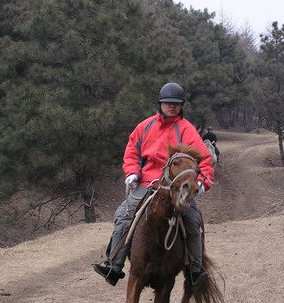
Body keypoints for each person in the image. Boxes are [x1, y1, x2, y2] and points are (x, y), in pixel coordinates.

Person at [92, 82, 215, 287]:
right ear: (160, 104)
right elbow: (132, 150)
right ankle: (114, 265)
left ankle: (194, 268)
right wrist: (132, 172)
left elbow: (203, 159)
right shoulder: (145, 126)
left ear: (181, 106)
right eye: (168, 103)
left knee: (193, 221)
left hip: (176, 186)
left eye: (176, 104)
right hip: (148, 182)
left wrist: (203, 182)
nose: (172, 107)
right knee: (123, 216)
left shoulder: (187, 130)